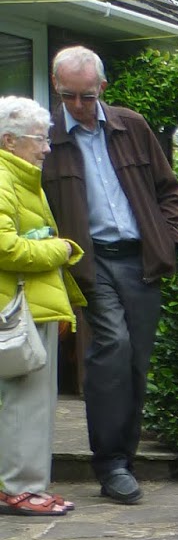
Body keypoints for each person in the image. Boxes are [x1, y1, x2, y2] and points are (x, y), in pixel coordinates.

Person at [41, 45, 178, 507]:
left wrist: (169, 238)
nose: (78, 106)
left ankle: (124, 455)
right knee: (112, 347)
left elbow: (169, 190)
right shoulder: (47, 139)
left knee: (136, 360)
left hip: (140, 260)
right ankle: (112, 465)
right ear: (56, 87)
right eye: (68, 96)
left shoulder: (132, 126)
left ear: (102, 88)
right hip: (89, 260)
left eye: (86, 95)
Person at [0, 97, 84, 516]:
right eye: (39, 138)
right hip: (18, 312)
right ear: (8, 140)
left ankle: (23, 486)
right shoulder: (3, 178)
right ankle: (20, 490)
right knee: (26, 403)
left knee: (30, 402)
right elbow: (4, 247)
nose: (47, 147)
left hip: (31, 306)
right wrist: (60, 248)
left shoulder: (19, 177)